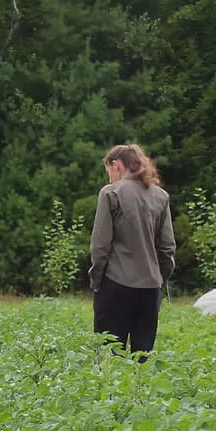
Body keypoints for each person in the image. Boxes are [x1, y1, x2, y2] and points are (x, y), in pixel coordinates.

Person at [89, 143, 175, 358]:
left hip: (115, 286)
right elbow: (166, 248)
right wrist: (160, 279)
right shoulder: (160, 197)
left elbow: (100, 246)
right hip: (150, 290)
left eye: (108, 169)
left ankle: (112, 394)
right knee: (142, 360)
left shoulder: (110, 193)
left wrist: (97, 281)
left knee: (110, 358)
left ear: (116, 165)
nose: (108, 176)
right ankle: (139, 392)